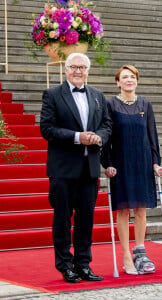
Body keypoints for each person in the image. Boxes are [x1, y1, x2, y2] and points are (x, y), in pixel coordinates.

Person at [40, 53, 112, 283]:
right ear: (66, 69)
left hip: (89, 169)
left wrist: (98, 137)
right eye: (73, 67)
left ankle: (83, 264)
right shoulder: (52, 95)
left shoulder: (98, 95)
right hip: (62, 169)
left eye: (82, 67)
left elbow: (106, 125)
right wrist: (77, 137)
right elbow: (47, 129)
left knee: (86, 219)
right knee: (62, 218)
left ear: (88, 70)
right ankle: (65, 265)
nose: (78, 71)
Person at [101, 65, 162, 275]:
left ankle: (140, 252)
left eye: (133, 77)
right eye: (124, 77)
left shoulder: (145, 103)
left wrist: (156, 162)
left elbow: (152, 134)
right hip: (120, 163)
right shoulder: (110, 104)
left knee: (140, 209)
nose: (129, 80)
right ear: (117, 82)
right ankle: (126, 255)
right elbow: (106, 137)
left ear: (137, 81)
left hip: (142, 161)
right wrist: (107, 163)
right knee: (123, 209)